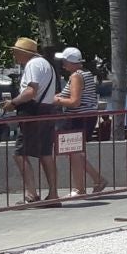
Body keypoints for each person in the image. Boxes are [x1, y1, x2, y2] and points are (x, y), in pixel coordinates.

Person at [0, 36, 58, 205]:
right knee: (45, 153)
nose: (14, 55)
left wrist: (13, 103)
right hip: (47, 111)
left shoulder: (32, 64)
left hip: (34, 113)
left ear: (24, 52)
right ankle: (53, 194)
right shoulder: (46, 64)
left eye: (15, 52)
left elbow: (31, 91)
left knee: (20, 153)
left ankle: (31, 194)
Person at [50, 47, 104, 197]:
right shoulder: (86, 74)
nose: (62, 64)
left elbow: (74, 101)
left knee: (73, 152)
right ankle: (95, 180)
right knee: (73, 152)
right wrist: (59, 97)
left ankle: (80, 188)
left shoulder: (76, 76)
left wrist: (55, 100)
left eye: (64, 61)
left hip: (78, 118)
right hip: (86, 117)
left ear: (70, 62)